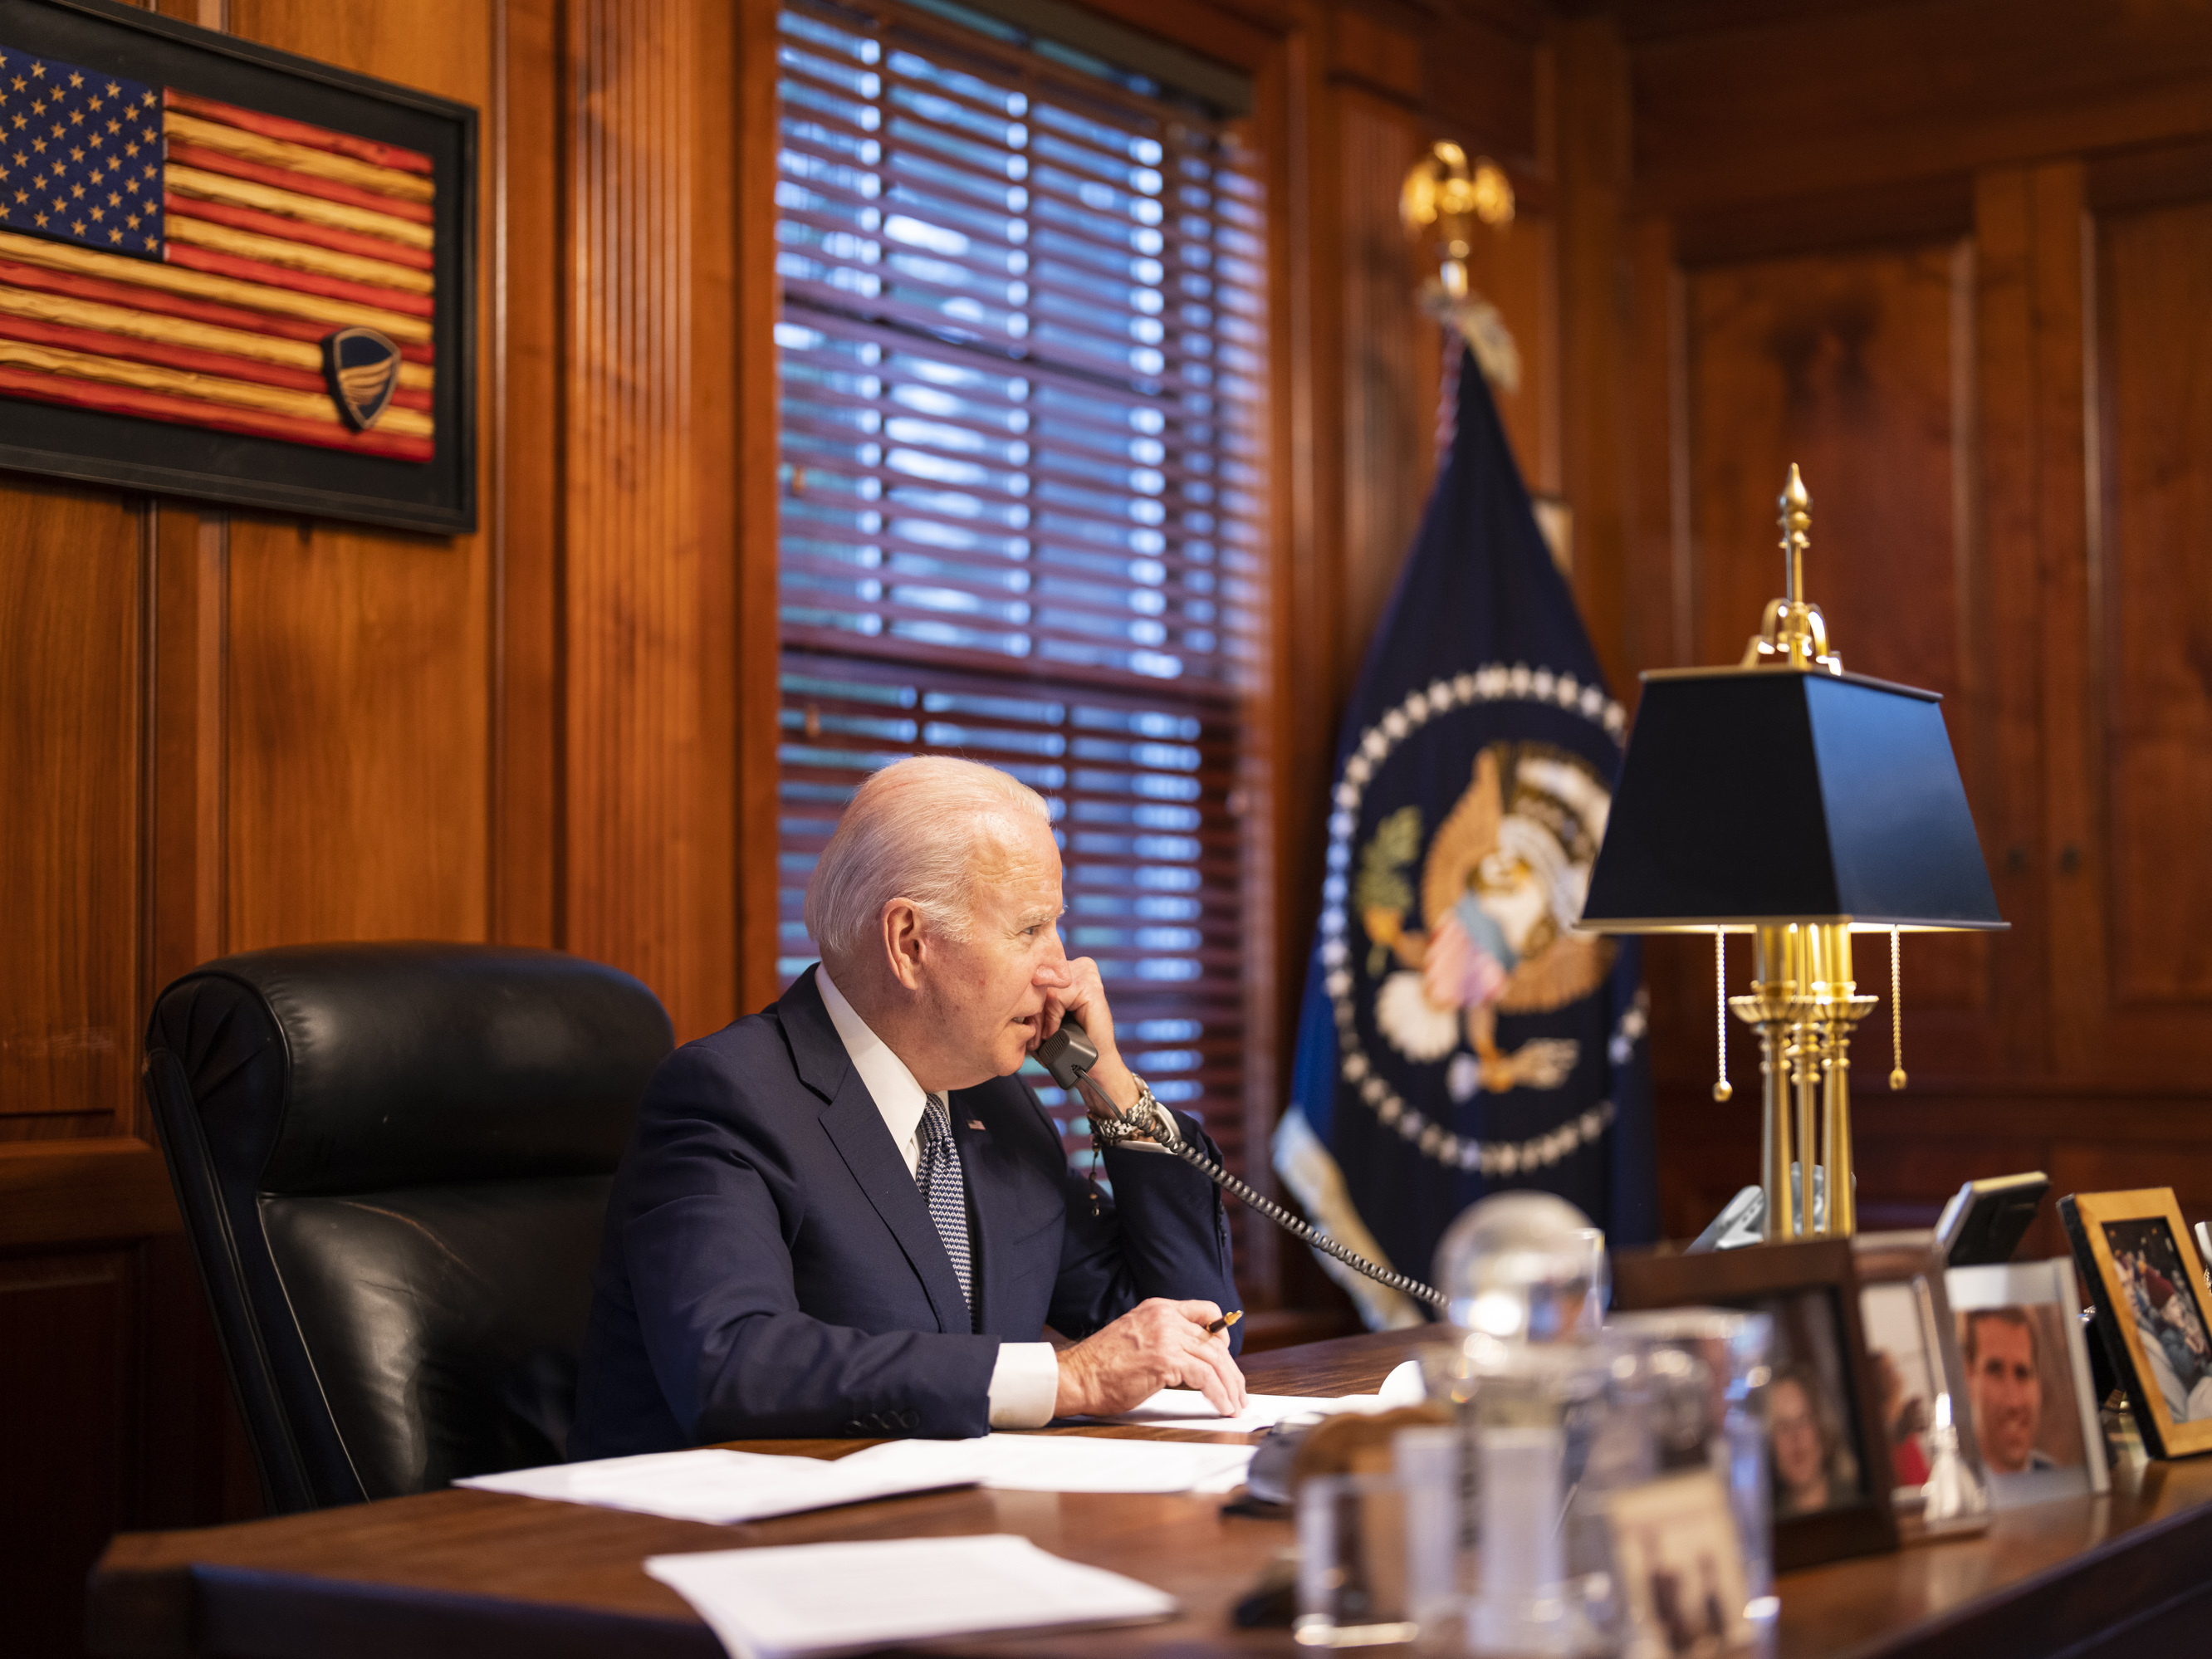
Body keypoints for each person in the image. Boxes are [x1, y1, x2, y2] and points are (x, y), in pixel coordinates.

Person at [570, 756, 1247, 1456]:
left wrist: (1111, 1087)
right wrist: (1065, 1379)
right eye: (1029, 930)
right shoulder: (727, 1096)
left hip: (947, 1528)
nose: (1064, 971)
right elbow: (732, 1364)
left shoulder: (999, 1108)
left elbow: (1194, 1341)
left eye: (1057, 926)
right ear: (909, 943)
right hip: (700, 1543)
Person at [1961, 1309, 2054, 1473]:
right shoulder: (1954, 1490)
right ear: (1968, 1378)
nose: (2013, 1402)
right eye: (1995, 1371)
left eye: (2022, 1373)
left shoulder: (2060, 1481)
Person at [1767, 1365, 1854, 1517]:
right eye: (1783, 1427)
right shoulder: (1768, 1531)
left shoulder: (1858, 1508)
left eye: (1803, 1421)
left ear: (1823, 1428)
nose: (1795, 1437)